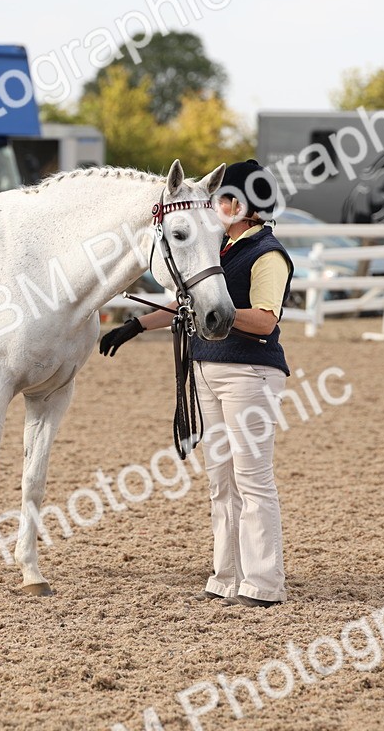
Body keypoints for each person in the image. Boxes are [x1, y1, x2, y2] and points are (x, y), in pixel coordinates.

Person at [98, 160, 294, 608]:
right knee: (220, 481)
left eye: (224, 199)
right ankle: (227, 574)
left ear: (245, 205)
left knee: (252, 478)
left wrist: (223, 316)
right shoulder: (219, 248)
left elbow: (265, 320)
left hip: (250, 374)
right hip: (208, 369)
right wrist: (136, 326)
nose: (217, 205)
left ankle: (264, 581)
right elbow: (188, 298)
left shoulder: (267, 254)